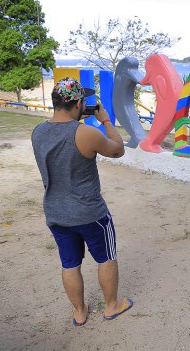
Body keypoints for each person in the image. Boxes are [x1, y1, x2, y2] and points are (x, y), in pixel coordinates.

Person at [31, 77, 132, 327]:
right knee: (106, 257)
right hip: (90, 213)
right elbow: (118, 149)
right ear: (77, 104)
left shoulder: (38, 132)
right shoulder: (85, 132)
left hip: (56, 213)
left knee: (70, 264)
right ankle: (111, 306)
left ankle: (79, 312)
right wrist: (106, 120)